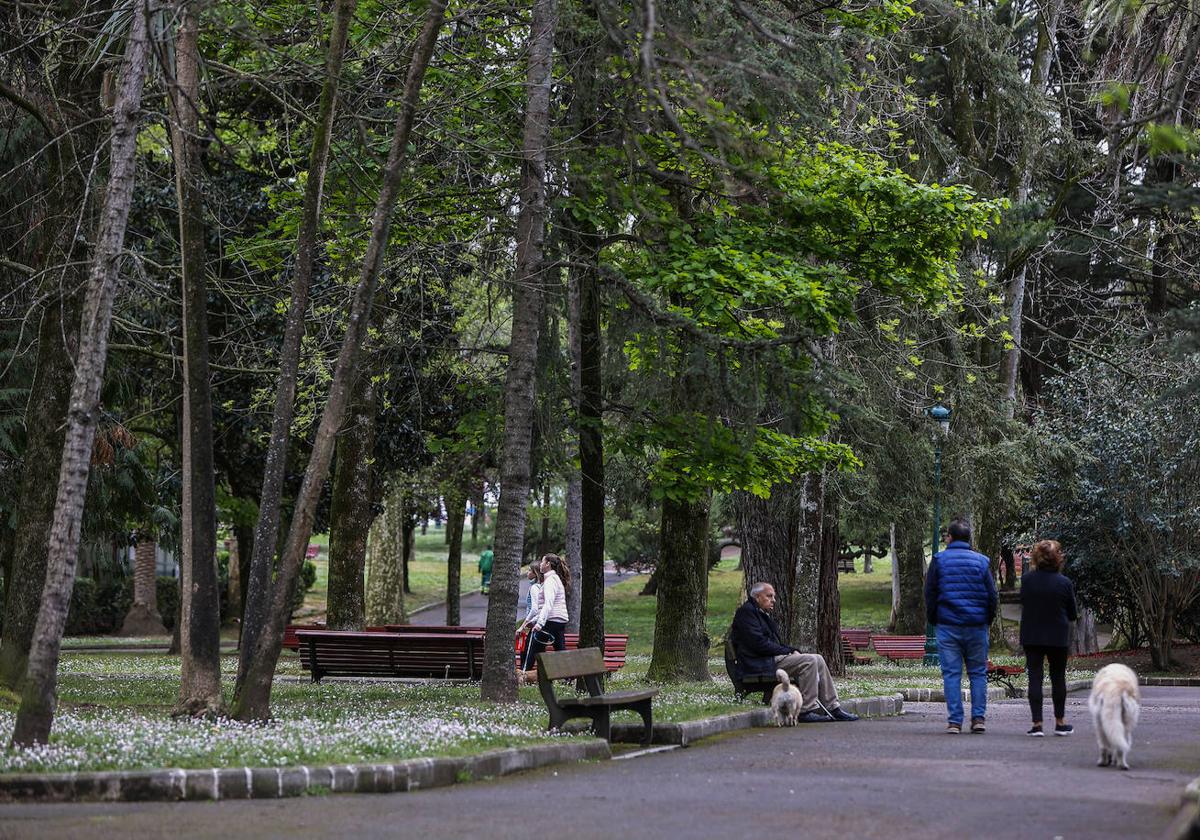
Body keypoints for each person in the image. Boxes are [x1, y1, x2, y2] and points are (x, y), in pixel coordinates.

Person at [730, 581, 859, 722]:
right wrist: (788, 652)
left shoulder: (759, 613)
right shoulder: (746, 613)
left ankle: (833, 707)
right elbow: (759, 644)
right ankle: (805, 710)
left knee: (818, 658)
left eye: (773, 596)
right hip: (757, 663)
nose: (774, 600)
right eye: (769, 596)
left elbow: (770, 643)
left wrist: (790, 651)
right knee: (808, 661)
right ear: (757, 596)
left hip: (766, 659)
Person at [924, 519, 999, 734]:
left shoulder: (939, 560)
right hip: (976, 626)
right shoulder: (982, 562)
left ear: (950, 537)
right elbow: (992, 595)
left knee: (951, 674)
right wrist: (987, 619)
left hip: (948, 625)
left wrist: (934, 618)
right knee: (977, 673)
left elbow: (930, 593)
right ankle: (978, 719)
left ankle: (955, 721)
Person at [1020, 539, 1078, 736]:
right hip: (1057, 635)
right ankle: (1060, 722)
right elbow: (1072, 613)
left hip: (1032, 633)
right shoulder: (1064, 583)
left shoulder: (1027, 580)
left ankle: (1037, 724)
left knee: (1034, 678)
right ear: (1057, 559)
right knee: (1058, 678)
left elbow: (1024, 603)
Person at [526, 553, 571, 666]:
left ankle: (524, 676)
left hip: (551, 620)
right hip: (559, 621)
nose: (540, 564)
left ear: (548, 564)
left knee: (533, 650)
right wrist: (533, 621)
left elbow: (548, 604)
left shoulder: (550, 581)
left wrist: (539, 624)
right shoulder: (554, 579)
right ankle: (568, 679)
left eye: (542, 562)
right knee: (560, 650)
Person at [518, 562, 545, 671]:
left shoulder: (534, 587)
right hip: (540, 625)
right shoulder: (542, 587)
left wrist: (523, 625)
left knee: (526, 653)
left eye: (529, 570)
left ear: (535, 573)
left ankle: (524, 677)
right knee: (539, 653)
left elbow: (534, 609)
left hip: (535, 626)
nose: (527, 573)